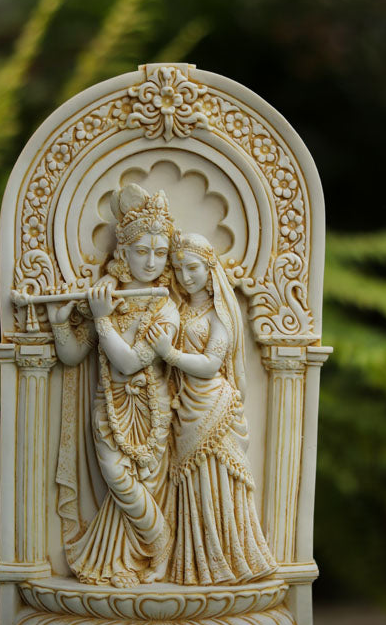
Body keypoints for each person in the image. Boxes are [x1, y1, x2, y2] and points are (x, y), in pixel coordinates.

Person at [48, 184, 179, 588]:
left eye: (160, 253)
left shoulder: (165, 306)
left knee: (142, 485)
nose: (151, 262)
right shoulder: (107, 296)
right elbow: (73, 355)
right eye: (142, 251)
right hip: (108, 405)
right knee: (117, 478)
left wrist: (102, 317)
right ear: (123, 252)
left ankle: (158, 547)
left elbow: (129, 361)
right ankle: (151, 545)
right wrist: (60, 323)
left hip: (150, 409)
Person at [146, 232, 278, 585]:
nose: (186, 276)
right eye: (179, 269)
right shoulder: (182, 308)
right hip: (185, 406)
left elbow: (210, 364)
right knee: (192, 484)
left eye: (193, 268)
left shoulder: (220, 314)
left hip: (213, 406)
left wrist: (169, 354)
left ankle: (227, 560)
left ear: (209, 268)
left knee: (215, 482)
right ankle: (195, 564)